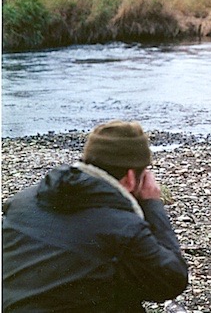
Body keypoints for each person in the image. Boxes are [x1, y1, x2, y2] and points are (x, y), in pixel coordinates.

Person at [2, 120, 189, 312]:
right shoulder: (122, 227)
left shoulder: (19, 204)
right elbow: (171, 281)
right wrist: (152, 205)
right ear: (131, 178)